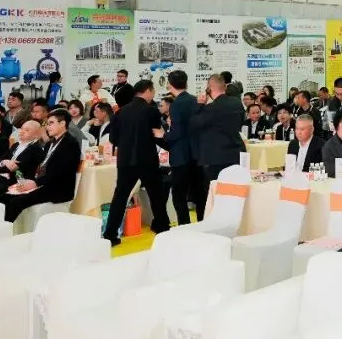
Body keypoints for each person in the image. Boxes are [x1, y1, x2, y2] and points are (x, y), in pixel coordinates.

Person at [105, 80, 170, 243]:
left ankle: (110, 234)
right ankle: (162, 227)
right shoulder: (151, 111)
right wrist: (170, 145)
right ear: (147, 90)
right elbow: (157, 135)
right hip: (147, 158)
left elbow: (113, 139)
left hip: (125, 160)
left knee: (120, 197)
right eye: (153, 91)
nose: (153, 94)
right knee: (156, 194)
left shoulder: (120, 112)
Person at [0, 108, 81, 222]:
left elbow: (59, 172)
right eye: (47, 124)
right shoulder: (50, 143)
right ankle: (1, 226)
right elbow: (42, 167)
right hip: (44, 183)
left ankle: (7, 229)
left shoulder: (70, 144)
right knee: (4, 196)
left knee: (16, 202)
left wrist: (35, 183)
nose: (47, 127)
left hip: (58, 189)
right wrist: (30, 181)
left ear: (62, 123)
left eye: (51, 123)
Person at [161, 70, 203, 225]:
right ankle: (202, 224)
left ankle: (184, 226)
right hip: (197, 154)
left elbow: (178, 132)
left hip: (180, 155)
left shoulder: (176, 104)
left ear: (169, 84)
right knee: (199, 194)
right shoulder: (194, 100)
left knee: (179, 195)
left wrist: (163, 134)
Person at [191, 74, 246, 183]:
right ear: (225, 87)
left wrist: (200, 104)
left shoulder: (210, 108)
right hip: (236, 153)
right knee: (235, 188)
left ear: (209, 89)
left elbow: (194, 124)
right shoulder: (237, 103)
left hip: (215, 157)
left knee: (216, 189)